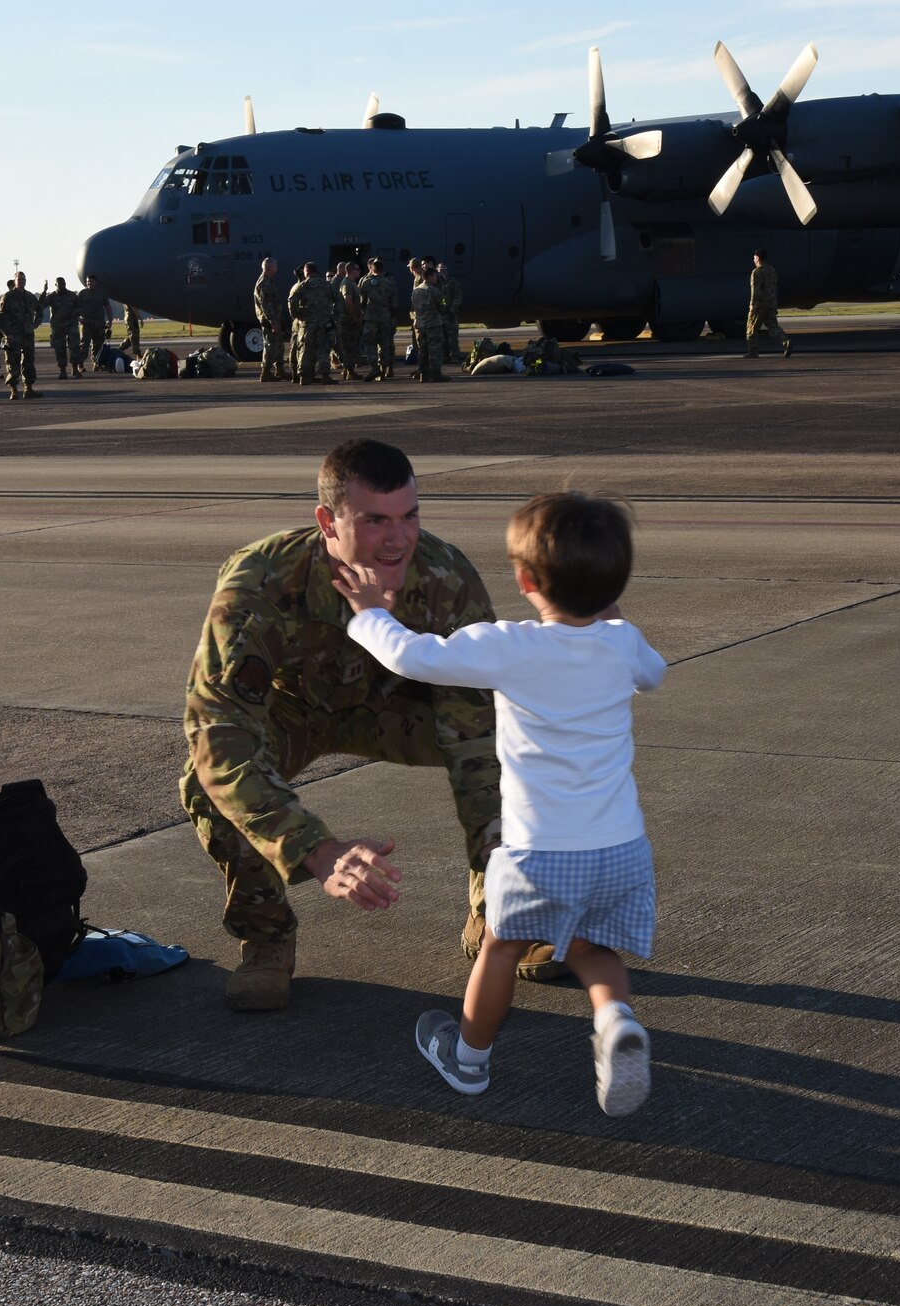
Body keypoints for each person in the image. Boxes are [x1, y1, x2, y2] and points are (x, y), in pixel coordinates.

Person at [180, 439, 564, 1012]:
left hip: (394, 703)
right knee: (204, 782)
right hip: (295, 711)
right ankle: (266, 938)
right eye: (375, 520)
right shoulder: (259, 584)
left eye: (409, 517)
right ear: (327, 522)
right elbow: (220, 738)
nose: (399, 538)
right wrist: (315, 848)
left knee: (518, 737)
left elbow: (476, 738)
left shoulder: (444, 577)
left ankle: (498, 917)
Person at [335, 492, 665, 1117]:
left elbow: (414, 657)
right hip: (620, 849)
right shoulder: (623, 644)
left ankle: (468, 1059)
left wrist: (367, 612)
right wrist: (615, 621)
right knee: (593, 949)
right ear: (614, 584)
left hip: (539, 852)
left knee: (500, 946)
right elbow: (653, 674)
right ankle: (616, 1019)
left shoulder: (511, 645)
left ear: (525, 580)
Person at [287, 261, 337, 386]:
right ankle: (325, 375)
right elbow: (336, 299)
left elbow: (292, 300)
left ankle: (304, 376)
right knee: (323, 348)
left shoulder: (303, 286)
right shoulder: (326, 285)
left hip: (307, 323)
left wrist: (297, 315)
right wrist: (329, 312)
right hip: (323, 322)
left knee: (305, 348)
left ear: (307, 271)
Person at [0, 269, 41, 399]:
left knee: (28, 362)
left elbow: (40, 311)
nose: (21, 282)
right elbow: (1, 317)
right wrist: (6, 333)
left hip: (27, 334)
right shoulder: (8, 297)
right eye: (19, 280)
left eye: (23, 280)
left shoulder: (30, 297)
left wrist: (35, 324)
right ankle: (14, 389)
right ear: (14, 281)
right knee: (13, 362)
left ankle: (28, 388)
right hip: (13, 335)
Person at [357, 257, 398, 381]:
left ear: (372, 269)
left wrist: (363, 314)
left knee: (370, 343)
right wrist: (392, 318)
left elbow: (361, 302)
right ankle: (384, 369)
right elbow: (394, 304)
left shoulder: (365, 282)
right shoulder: (390, 283)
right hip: (385, 318)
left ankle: (374, 368)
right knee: (385, 344)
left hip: (370, 319)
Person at [744, 249, 790, 358]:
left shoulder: (757, 272)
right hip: (771, 303)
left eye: (754, 257)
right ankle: (786, 341)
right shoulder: (772, 270)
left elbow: (755, 290)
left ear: (758, 258)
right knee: (773, 327)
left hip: (760, 305)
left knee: (751, 329)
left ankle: (752, 352)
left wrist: (752, 306)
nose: (753, 259)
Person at [410, 258, 447, 382]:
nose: (436, 278)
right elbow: (443, 307)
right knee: (435, 350)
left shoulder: (416, 291)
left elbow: (414, 308)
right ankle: (436, 373)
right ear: (430, 276)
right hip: (434, 324)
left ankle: (423, 374)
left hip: (421, 324)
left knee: (423, 350)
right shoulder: (435, 291)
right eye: (435, 276)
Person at [253, 257, 287, 383]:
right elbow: (266, 304)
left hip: (274, 319)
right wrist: (272, 321)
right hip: (269, 320)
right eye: (275, 266)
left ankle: (279, 370)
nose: (276, 269)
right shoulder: (264, 284)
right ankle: (266, 372)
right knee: (270, 345)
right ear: (269, 268)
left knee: (278, 345)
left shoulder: (268, 281)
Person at [43, 277, 83, 378]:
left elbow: (79, 307)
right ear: (56, 285)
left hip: (71, 324)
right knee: (60, 348)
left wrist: (75, 313)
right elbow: (41, 305)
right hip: (58, 325)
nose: (62, 286)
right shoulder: (52, 296)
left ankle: (75, 368)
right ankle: (63, 370)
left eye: (63, 284)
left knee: (75, 346)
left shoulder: (72, 295)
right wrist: (44, 292)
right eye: (60, 284)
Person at [77, 275, 111, 370]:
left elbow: (107, 307)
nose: (89, 283)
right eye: (88, 282)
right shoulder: (82, 293)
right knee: (84, 345)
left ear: (96, 282)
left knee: (98, 345)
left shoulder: (101, 293)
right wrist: (78, 319)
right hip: (86, 322)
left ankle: (96, 363)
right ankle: (80, 365)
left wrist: (110, 321)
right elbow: (75, 307)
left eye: (91, 281)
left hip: (99, 323)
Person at [437, 261, 464, 364]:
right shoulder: (436, 284)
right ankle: (444, 356)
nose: (442, 272)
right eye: (440, 270)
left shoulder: (453, 283)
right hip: (441, 314)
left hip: (451, 314)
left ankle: (455, 356)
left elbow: (458, 296)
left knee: (452, 337)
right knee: (442, 337)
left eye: (444, 270)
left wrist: (453, 308)